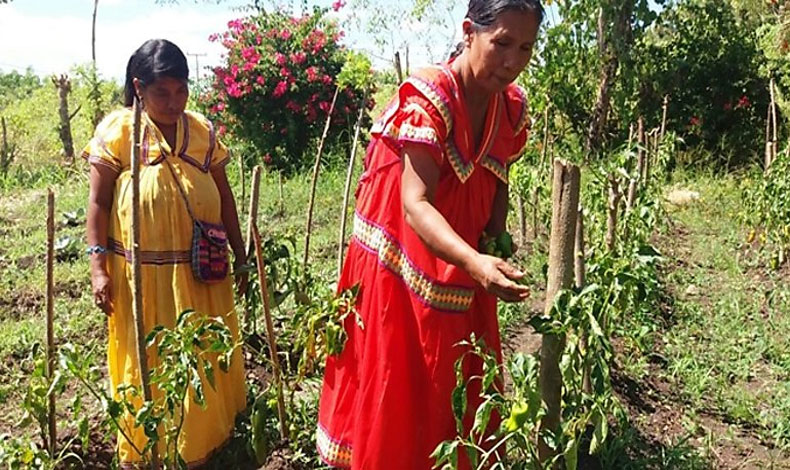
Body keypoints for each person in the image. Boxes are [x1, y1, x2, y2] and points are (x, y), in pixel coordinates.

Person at [316, 0, 543, 468]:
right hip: (400, 259)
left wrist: (495, 236)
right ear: (468, 32)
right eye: (501, 43)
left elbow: (497, 174)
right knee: (402, 375)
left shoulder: (510, 107)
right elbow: (415, 204)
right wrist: (476, 262)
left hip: (460, 256)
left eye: (525, 47)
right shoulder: (430, 98)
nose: (512, 62)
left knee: (452, 368)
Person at [84, 39, 247, 467]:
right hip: (143, 279)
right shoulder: (119, 132)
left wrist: (241, 252)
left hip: (202, 272)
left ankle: (206, 443)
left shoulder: (201, 132)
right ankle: (151, 449)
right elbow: (98, 204)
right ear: (139, 88)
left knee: (204, 357)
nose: (174, 102)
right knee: (149, 359)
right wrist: (98, 266)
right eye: (162, 93)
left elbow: (225, 198)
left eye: (181, 91)